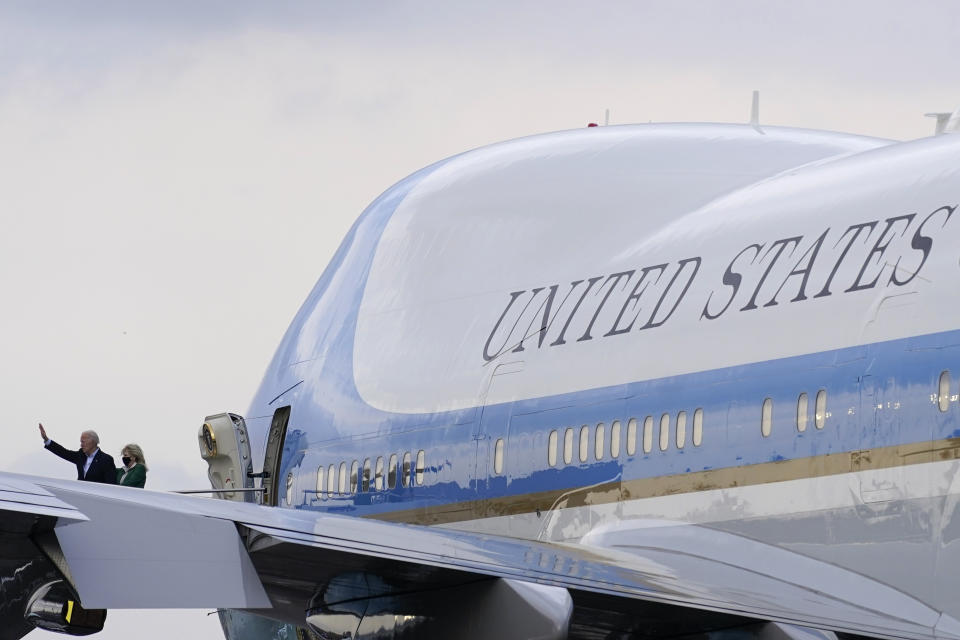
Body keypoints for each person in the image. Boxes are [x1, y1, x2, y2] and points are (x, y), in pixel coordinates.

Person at [38, 423, 117, 484]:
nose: (81, 445)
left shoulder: (106, 460)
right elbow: (64, 452)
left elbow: (111, 484)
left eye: (83, 442)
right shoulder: (80, 455)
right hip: (80, 497)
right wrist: (46, 439)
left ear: (92, 441)